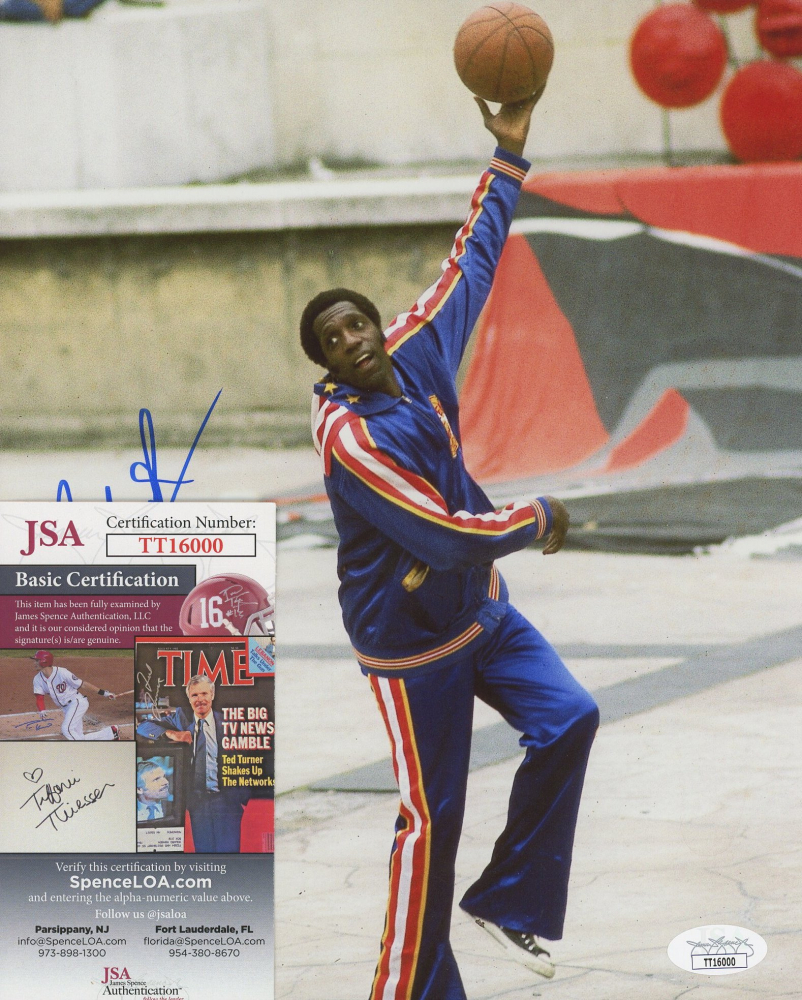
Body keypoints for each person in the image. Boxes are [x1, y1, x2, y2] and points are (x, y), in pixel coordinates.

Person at [299, 93, 599, 997]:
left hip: (481, 615)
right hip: (411, 647)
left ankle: (509, 898)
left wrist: (508, 156)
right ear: (323, 363)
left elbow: (472, 258)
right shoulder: (350, 437)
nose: (351, 341)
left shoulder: (419, 349)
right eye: (331, 340)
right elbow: (439, 532)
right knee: (433, 823)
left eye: (356, 322)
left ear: (375, 323)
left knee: (570, 717)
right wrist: (533, 519)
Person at [164, 674, 247, 853]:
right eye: (194, 695)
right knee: (204, 855)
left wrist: (240, 799)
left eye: (204, 694)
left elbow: (246, 758)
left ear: (212, 695)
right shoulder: (181, 719)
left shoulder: (229, 722)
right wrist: (173, 734)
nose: (200, 699)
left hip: (226, 802)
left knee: (230, 855)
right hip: (197, 803)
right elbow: (145, 726)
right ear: (189, 698)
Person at [30, 650, 119, 741]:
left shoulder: (62, 672)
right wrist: (41, 709)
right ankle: (111, 733)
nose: (34, 663)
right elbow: (39, 697)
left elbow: (83, 684)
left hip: (77, 703)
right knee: (78, 737)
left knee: (66, 729)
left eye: (37, 660)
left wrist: (105, 693)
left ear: (44, 661)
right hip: (66, 708)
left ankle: (80, 750)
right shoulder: (37, 679)